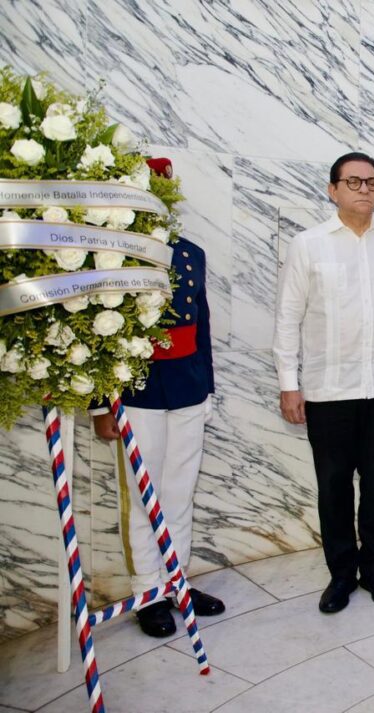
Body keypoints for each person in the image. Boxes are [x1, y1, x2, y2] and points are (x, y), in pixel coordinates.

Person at [273, 151, 374, 614]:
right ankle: (341, 575)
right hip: (328, 391)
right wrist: (289, 383)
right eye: (355, 182)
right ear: (333, 189)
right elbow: (288, 317)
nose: (365, 190)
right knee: (335, 487)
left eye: (373, 182)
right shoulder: (309, 245)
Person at [92, 157, 226, 637]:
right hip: (139, 391)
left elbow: (202, 325)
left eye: (163, 191)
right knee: (142, 495)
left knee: (178, 492)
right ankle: (147, 589)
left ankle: (176, 582)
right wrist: (101, 405)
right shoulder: (112, 252)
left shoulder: (190, 251)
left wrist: (206, 387)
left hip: (188, 388)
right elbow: (97, 336)